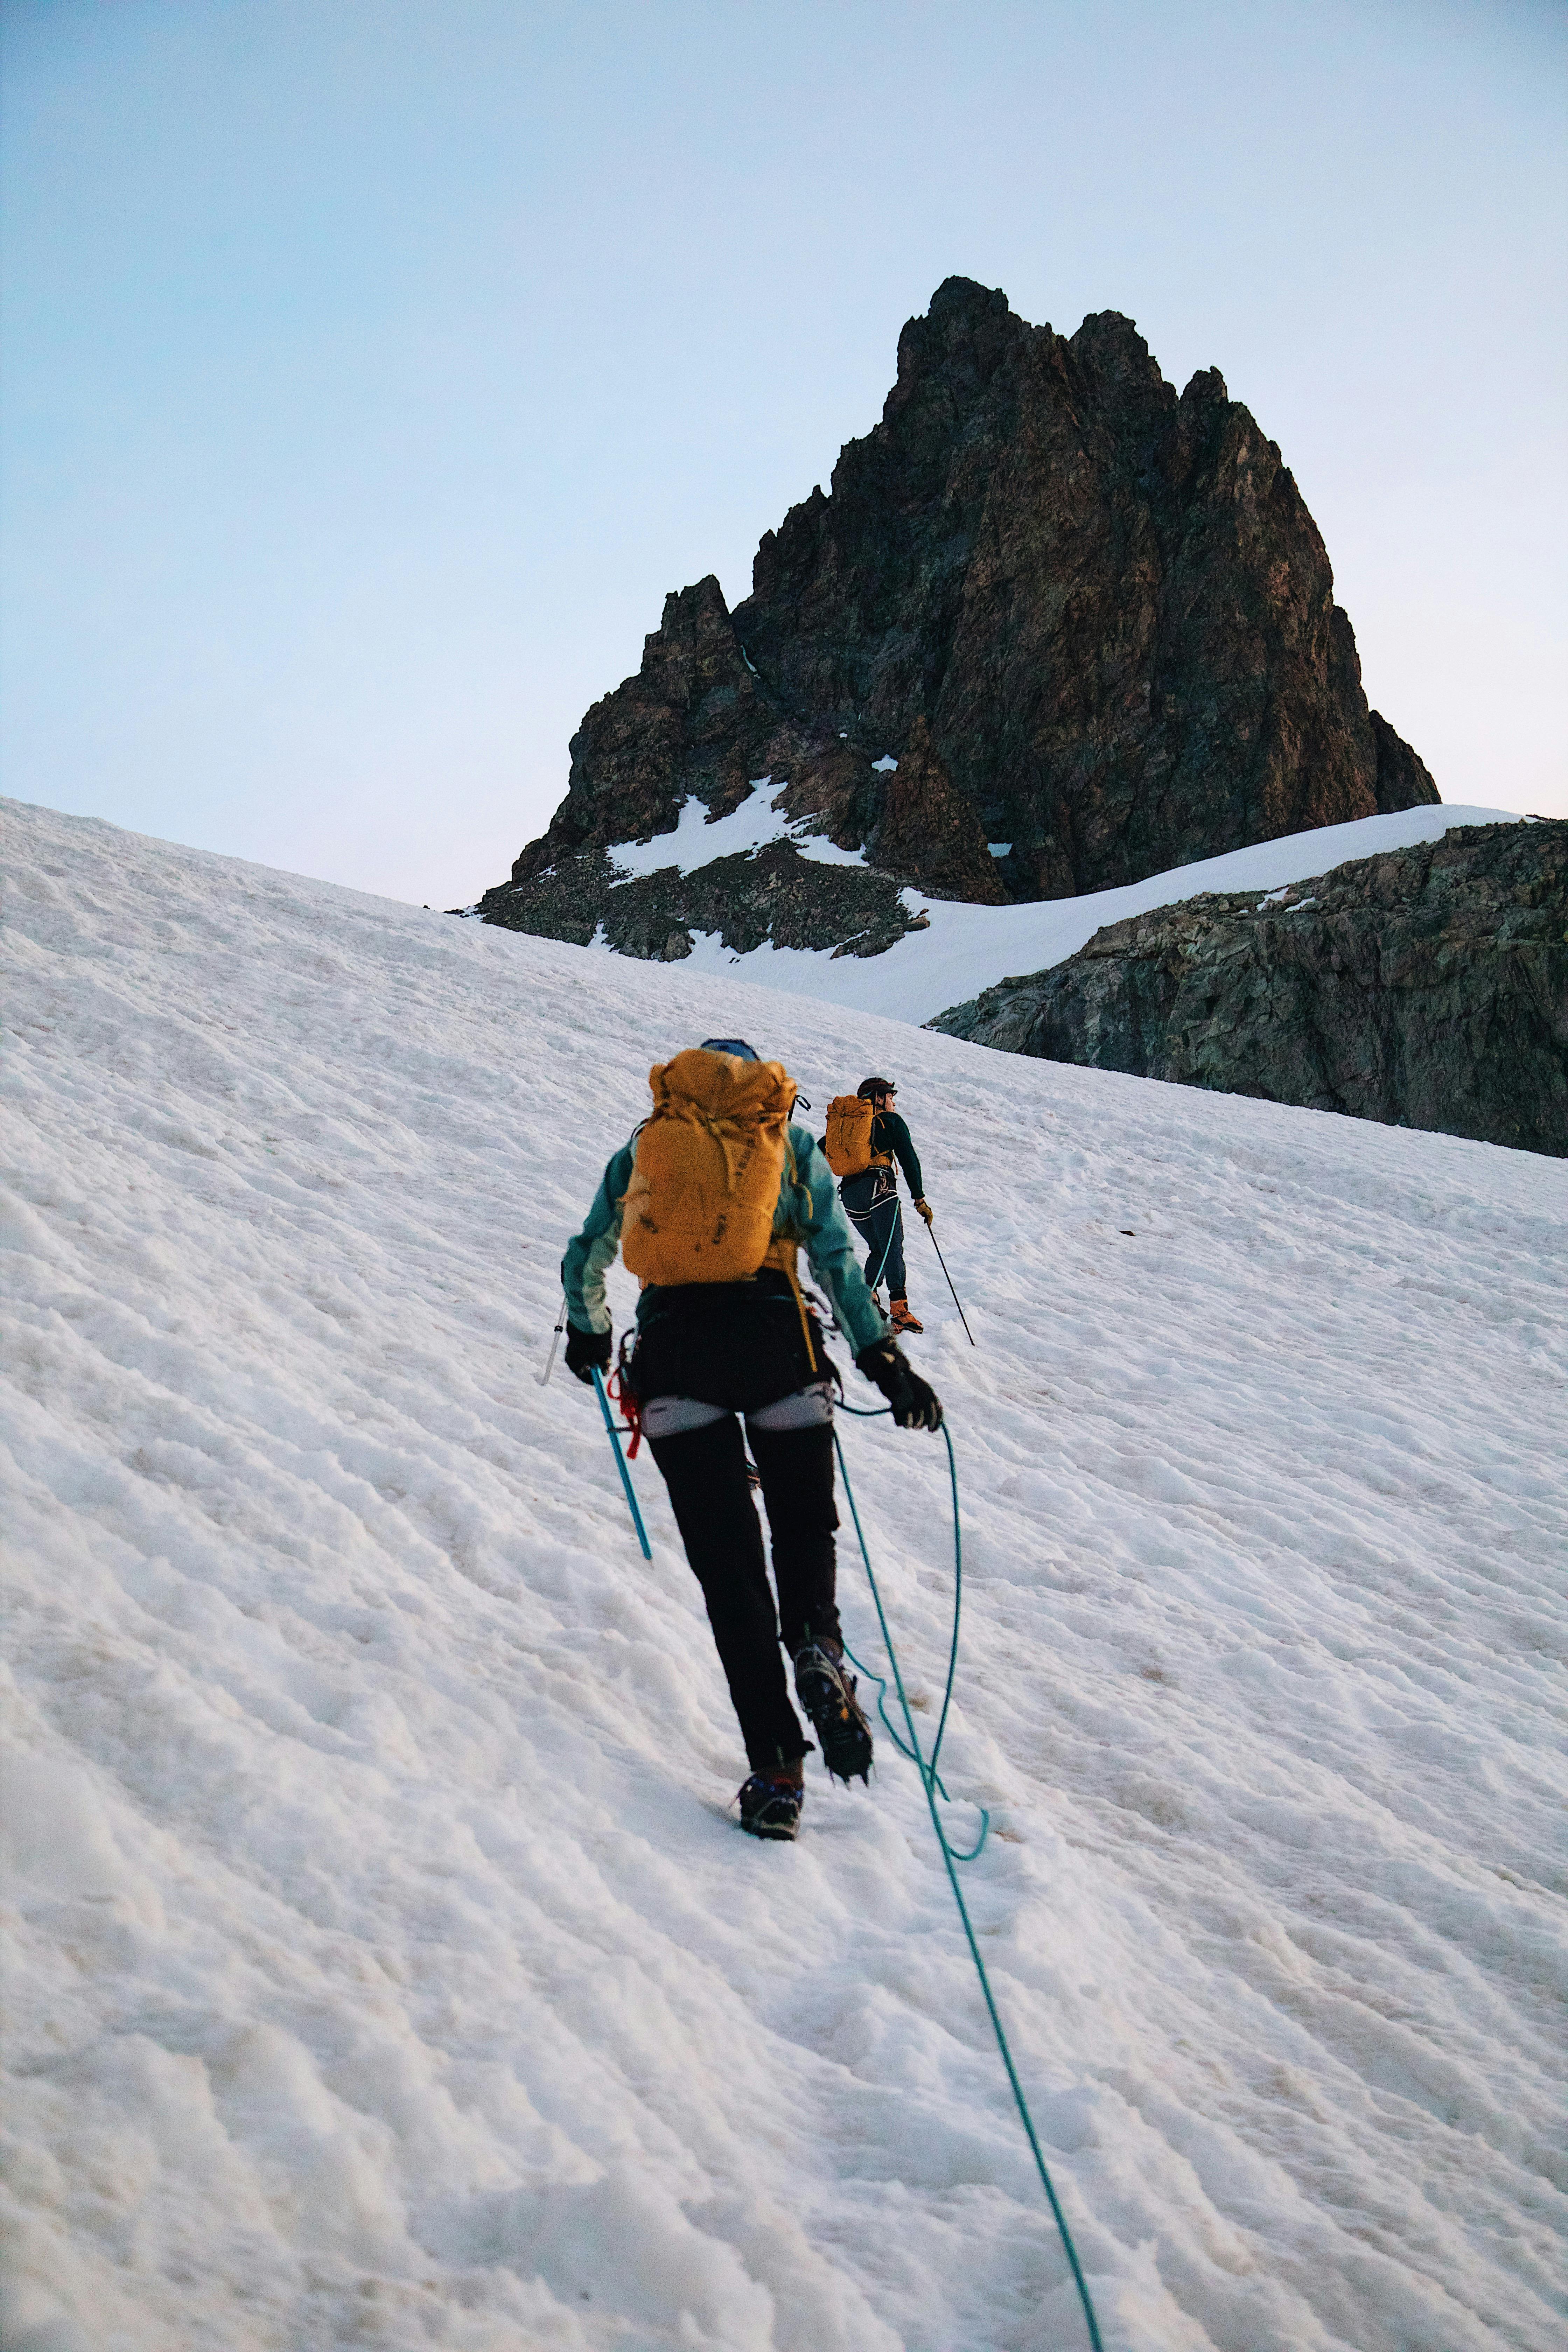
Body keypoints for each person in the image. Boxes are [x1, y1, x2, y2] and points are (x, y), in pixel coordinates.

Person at [561, 1037, 943, 1844]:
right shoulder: (787, 1140)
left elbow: (588, 1250)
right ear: (761, 1086)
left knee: (730, 1573)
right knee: (804, 1528)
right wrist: (885, 1363)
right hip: (780, 1349)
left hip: (673, 1360)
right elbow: (839, 1259)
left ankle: (777, 1776)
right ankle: (816, 1643)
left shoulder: (648, 1141)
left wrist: (591, 1335)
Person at [836, 1076, 934, 1336]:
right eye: (890, 1097)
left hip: (850, 1195)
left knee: (879, 1247)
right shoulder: (890, 1122)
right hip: (880, 1187)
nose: (893, 1103)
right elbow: (909, 1160)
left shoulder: (847, 1127)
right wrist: (920, 1199)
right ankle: (900, 1310)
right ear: (879, 1098)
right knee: (893, 1245)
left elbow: (825, 1150)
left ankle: (868, 1296)